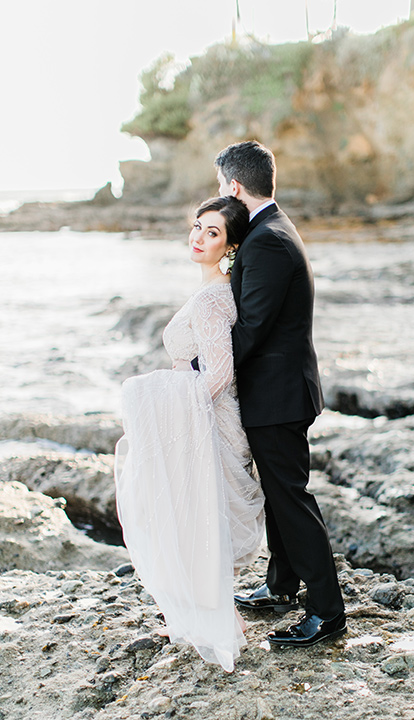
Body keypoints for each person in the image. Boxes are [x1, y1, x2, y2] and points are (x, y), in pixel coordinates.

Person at [114, 196, 265, 673]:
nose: (199, 237)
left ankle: (224, 617)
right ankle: (216, 613)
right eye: (198, 227)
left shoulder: (212, 298)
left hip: (209, 417)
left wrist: (163, 394)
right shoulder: (215, 291)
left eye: (213, 232)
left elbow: (219, 372)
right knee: (203, 509)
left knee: (206, 510)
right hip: (205, 413)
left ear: (231, 246)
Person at [215, 141, 346, 647]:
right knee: (278, 494)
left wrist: (204, 368)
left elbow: (251, 327)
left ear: (234, 186)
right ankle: (282, 587)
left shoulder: (266, 240)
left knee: (291, 500)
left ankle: (328, 614)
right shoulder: (271, 229)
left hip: (278, 394)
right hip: (280, 389)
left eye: (220, 185)